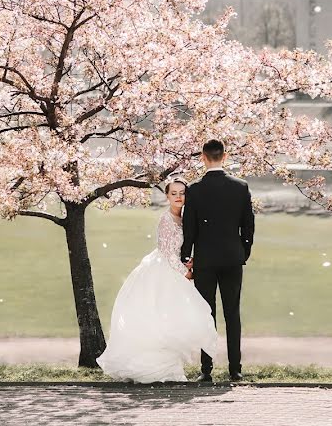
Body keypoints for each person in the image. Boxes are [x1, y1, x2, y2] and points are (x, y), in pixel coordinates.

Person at [96, 179, 218, 383]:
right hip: (164, 272)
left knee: (172, 319)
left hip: (175, 270)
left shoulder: (185, 218)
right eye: (174, 193)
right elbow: (167, 252)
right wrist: (186, 273)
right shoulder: (166, 220)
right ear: (167, 196)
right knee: (161, 318)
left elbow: (180, 249)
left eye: (182, 193)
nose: (179, 197)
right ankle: (155, 368)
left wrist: (189, 262)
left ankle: (170, 367)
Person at [181, 139, 255, 382]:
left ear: (203, 157)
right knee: (232, 313)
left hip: (206, 259)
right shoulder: (241, 187)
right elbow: (248, 225)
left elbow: (189, 228)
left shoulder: (194, 189)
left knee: (207, 313)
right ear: (225, 156)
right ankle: (235, 369)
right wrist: (244, 250)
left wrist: (187, 254)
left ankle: (207, 369)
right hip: (233, 257)